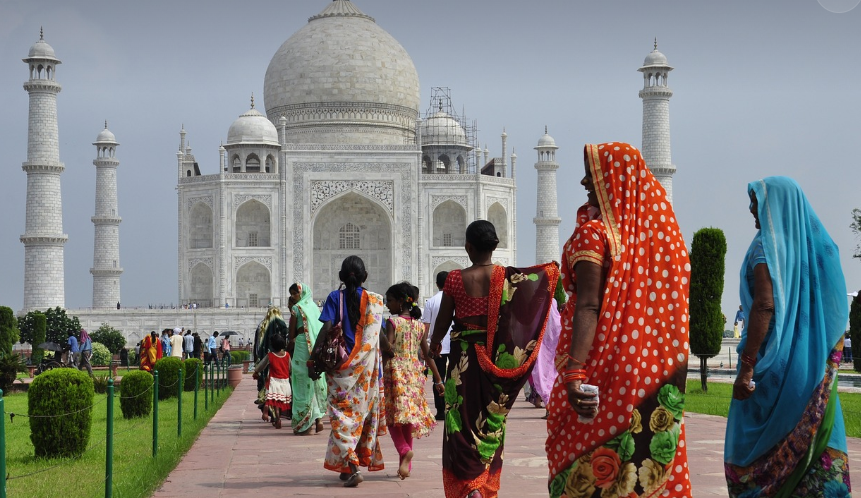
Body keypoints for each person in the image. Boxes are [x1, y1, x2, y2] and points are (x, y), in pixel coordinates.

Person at [546, 142, 692, 498]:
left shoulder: (594, 233)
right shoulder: (657, 238)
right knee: (640, 464)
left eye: (592, 174)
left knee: (584, 464)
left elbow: (589, 306)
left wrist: (575, 372)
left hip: (601, 365)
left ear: (614, 179)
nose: (584, 181)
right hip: (650, 370)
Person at [725, 176, 850, 497]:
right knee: (814, 454)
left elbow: (764, 305)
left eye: (757, 201)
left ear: (776, 205)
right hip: (812, 367)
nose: (751, 208)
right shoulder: (810, 249)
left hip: (775, 368)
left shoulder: (765, 246)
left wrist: (748, 365)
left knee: (754, 452)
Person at [429, 220, 559, 498]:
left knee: (460, 421)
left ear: (468, 247)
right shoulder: (506, 277)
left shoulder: (454, 279)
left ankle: (469, 486)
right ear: (495, 246)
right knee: (490, 420)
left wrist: (434, 344)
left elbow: (443, 320)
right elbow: (522, 311)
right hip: (494, 360)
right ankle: (483, 483)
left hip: (463, 362)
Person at [313, 255, 386, 488]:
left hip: (340, 370)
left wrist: (315, 357)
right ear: (365, 276)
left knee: (341, 419)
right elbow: (380, 339)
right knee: (358, 418)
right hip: (366, 372)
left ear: (341, 277)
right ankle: (346, 466)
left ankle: (353, 468)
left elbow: (326, 327)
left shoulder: (336, 297)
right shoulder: (375, 301)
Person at [383, 282, 443, 480]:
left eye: (389, 301)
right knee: (407, 419)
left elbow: (389, 349)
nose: (387, 304)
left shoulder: (393, 323)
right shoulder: (419, 326)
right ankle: (405, 466)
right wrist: (438, 379)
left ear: (401, 302)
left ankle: (403, 450)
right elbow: (427, 355)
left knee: (392, 418)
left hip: (396, 374)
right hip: (415, 375)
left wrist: (380, 339)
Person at [288, 283, 327, 435]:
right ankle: (318, 419)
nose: (293, 297)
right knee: (313, 381)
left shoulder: (296, 309)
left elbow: (291, 335)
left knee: (301, 382)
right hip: (315, 350)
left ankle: (305, 424)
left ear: (301, 293)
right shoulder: (314, 308)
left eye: (294, 294)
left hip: (301, 347)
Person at [423, 271, 453, 421]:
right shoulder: (456, 300)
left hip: (436, 345)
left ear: (437, 284)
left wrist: (425, 346)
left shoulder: (431, 302)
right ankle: (452, 409)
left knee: (438, 377)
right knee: (454, 378)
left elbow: (426, 327)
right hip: (454, 344)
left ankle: (440, 410)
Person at [252, 333, 292, 429]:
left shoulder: (270, 355)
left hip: (274, 381)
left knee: (275, 402)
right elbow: (290, 368)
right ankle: (279, 417)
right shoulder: (287, 355)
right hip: (285, 381)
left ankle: (277, 417)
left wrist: (256, 372)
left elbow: (261, 365)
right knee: (282, 401)